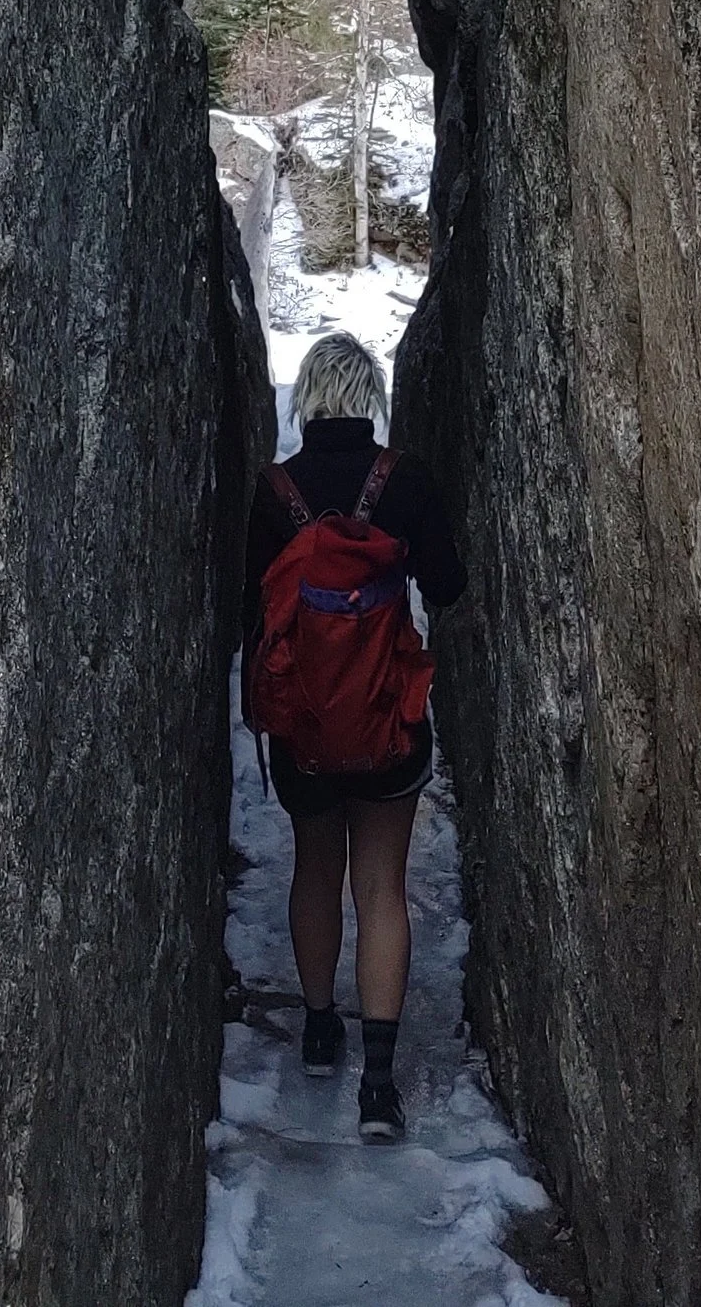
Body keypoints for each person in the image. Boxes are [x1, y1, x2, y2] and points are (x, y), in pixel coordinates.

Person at [244, 329, 466, 1145]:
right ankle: (378, 1084)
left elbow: (248, 616)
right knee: (381, 885)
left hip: (304, 729)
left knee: (314, 865)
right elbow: (448, 583)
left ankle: (315, 1027)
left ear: (307, 399)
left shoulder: (275, 492)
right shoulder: (401, 481)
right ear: (367, 397)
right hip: (387, 723)